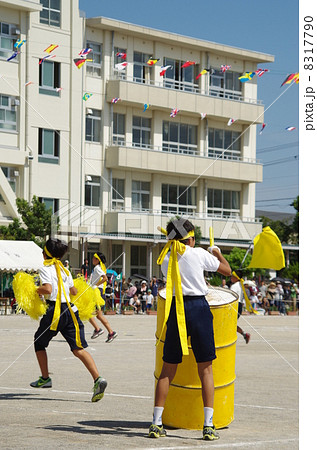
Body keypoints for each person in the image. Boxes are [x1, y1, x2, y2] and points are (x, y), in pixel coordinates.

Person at [149, 218, 231, 441]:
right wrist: (216, 252)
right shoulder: (200, 254)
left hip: (176, 309)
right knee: (205, 368)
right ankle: (208, 424)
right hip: (198, 307)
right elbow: (227, 270)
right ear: (191, 238)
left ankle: (156, 422)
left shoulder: (166, 257)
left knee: (168, 369)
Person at [30, 238, 107, 402]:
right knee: (78, 349)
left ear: (46, 254)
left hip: (55, 311)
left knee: (39, 342)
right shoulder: (65, 270)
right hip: (71, 311)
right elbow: (73, 291)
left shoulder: (45, 268)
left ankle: (45, 378)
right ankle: (98, 378)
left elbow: (47, 289)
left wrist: (33, 290)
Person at [89, 252, 118, 343]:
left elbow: (105, 278)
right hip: (98, 292)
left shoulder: (97, 268)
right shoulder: (98, 268)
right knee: (98, 315)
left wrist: (96, 285)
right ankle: (108, 331)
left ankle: (101, 330)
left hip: (97, 293)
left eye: (94, 258)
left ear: (98, 260)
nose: (92, 259)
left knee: (89, 313)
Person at [230, 271, 251, 344]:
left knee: (230, 324)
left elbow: (230, 297)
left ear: (236, 278)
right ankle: (244, 334)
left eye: (232, 276)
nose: (231, 277)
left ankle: (240, 335)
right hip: (239, 306)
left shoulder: (234, 286)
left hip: (235, 305)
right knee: (232, 324)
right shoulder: (241, 285)